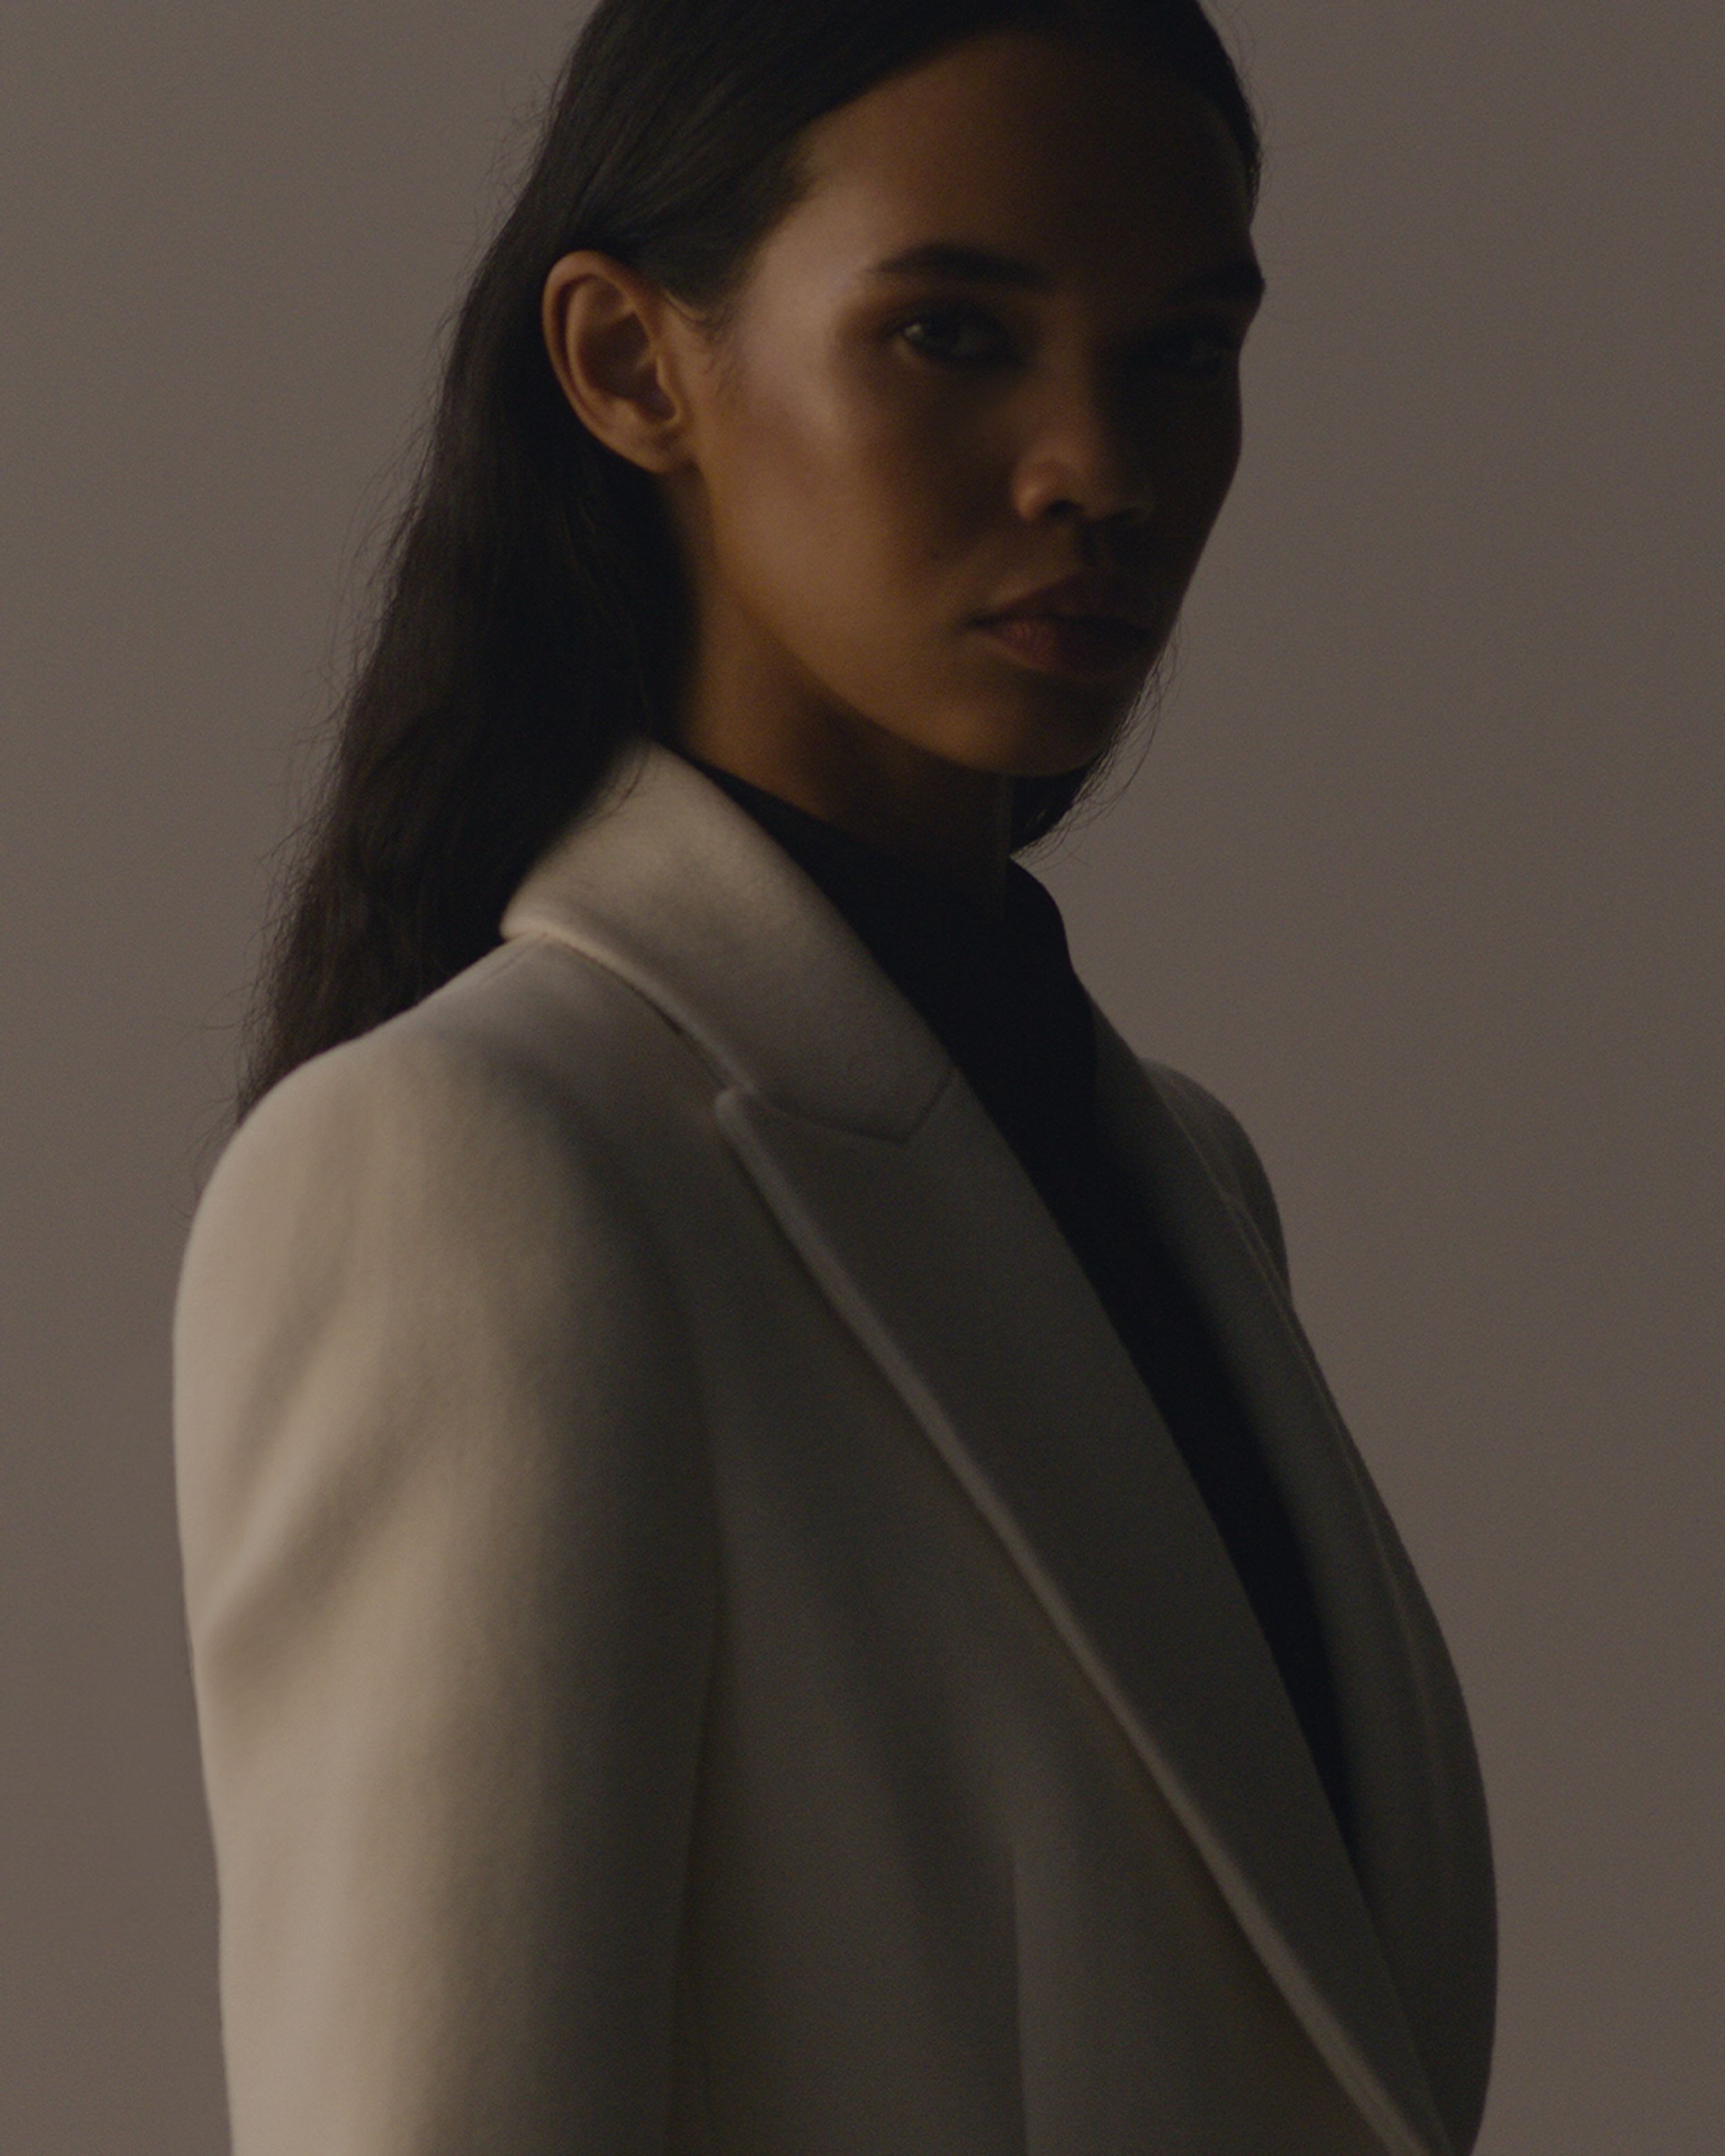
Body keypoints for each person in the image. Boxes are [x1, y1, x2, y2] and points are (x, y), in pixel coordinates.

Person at [174, 2, 1496, 2151]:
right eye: (954, 338)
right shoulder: (475, 1167)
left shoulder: (1182, 1178)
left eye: (1181, 350)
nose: (1106, 467)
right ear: (626, 365)